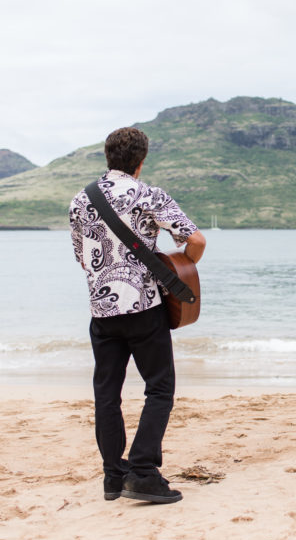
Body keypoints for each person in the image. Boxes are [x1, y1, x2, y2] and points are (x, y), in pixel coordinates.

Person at [69, 126, 206, 503]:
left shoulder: (81, 200)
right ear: (141, 161)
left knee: (106, 395)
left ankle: (114, 478)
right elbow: (196, 240)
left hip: (102, 312)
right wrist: (179, 266)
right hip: (145, 308)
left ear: (108, 157)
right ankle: (143, 471)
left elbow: (83, 260)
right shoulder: (149, 195)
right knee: (159, 389)